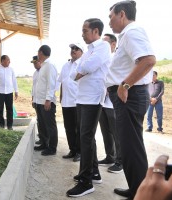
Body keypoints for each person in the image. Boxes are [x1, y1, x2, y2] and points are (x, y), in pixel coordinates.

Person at [106, 1, 156, 199]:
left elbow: (148, 60)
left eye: (111, 16)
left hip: (130, 96)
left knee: (130, 148)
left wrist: (125, 84)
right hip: (128, 97)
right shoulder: (127, 34)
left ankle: (141, 193)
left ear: (122, 14)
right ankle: (137, 188)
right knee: (131, 146)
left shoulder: (132, 31)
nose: (109, 21)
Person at [66, 18, 111, 198]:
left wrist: (82, 69)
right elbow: (72, 74)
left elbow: (87, 66)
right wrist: (82, 70)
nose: (82, 34)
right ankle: (94, 172)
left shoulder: (103, 47)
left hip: (93, 98)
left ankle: (86, 182)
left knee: (85, 137)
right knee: (87, 137)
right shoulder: (90, 51)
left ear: (95, 31)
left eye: (85, 30)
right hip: (82, 98)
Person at [98, 33, 123, 174]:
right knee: (105, 131)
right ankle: (110, 156)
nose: (103, 45)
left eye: (106, 42)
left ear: (113, 44)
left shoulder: (117, 58)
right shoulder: (103, 59)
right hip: (102, 101)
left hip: (113, 102)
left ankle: (120, 161)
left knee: (117, 133)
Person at [58, 42, 83, 162]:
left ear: (81, 52)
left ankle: (79, 151)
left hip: (77, 101)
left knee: (78, 128)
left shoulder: (83, 64)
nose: (73, 50)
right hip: (66, 101)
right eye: (72, 48)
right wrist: (61, 95)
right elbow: (62, 81)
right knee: (68, 127)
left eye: (76, 48)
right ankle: (72, 150)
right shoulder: (65, 65)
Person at [33, 45, 58, 156]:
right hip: (39, 101)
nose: (38, 54)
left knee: (50, 125)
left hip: (46, 102)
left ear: (41, 52)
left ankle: (52, 148)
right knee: (42, 124)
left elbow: (51, 84)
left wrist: (48, 100)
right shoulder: (43, 66)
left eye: (38, 52)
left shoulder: (49, 66)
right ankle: (44, 143)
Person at [0, 55, 18, 130]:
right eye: (8, 60)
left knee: (9, 109)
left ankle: (10, 126)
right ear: (3, 60)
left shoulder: (11, 69)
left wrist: (16, 91)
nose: (9, 62)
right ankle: (1, 125)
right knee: (0, 109)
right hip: (0, 91)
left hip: (9, 91)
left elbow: (14, 80)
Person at [31, 56, 43, 145]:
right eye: (33, 63)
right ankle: (42, 138)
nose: (34, 65)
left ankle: (47, 140)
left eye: (36, 63)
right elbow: (34, 87)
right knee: (39, 120)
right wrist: (33, 99)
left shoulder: (44, 71)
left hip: (43, 100)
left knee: (45, 121)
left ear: (40, 62)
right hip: (36, 100)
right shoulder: (35, 73)